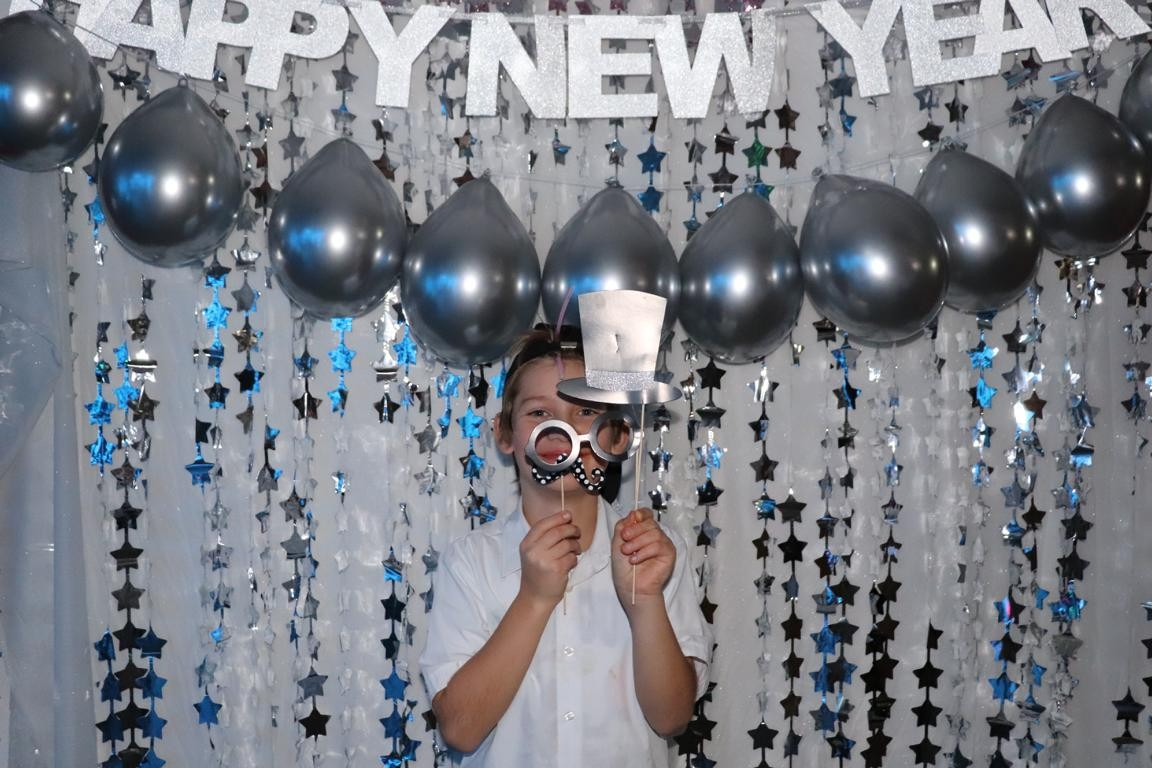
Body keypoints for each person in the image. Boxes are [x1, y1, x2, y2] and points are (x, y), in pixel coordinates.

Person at [419, 323, 712, 767]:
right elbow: (460, 729)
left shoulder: (655, 551)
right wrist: (534, 598)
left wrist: (646, 600)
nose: (563, 430)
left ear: (617, 436)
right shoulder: (470, 562)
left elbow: (672, 718)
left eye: (586, 412)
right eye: (539, 413)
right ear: (505, 434)